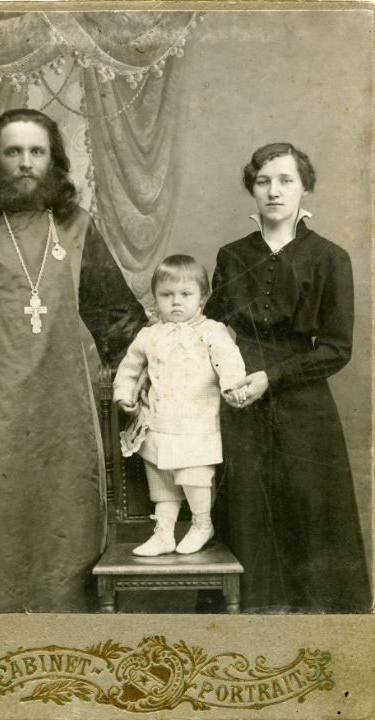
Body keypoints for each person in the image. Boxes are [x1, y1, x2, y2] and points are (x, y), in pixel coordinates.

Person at [0, 108, 147, 614]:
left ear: (54, 161)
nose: (26, 163)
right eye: (13, 152)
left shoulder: (76, 226)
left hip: (63, 408)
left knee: (65, 523)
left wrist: (150, 377)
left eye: (36, 152)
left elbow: (118, 317)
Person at [204, 143, 372, 613]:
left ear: (304, 187)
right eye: (263, 182)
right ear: (252, 189)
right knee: (246, 509)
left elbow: (337, 348)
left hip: (304, 405)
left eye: (285, 180)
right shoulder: (232, 256)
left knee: (310, 509)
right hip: (242, 398)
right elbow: (211, 330)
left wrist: (272, 378)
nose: (273, 191)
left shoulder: (330, 257)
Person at [113, 255, 246, 557]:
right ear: (155, 297)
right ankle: (164, 534)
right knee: (162, 483)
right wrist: (124, 393)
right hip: (158, 423)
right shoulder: (149, 335)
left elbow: (229, 362)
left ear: (203, 297)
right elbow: (130, 367)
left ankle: (202, 524)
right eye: (166, 295)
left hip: (196, 424)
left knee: (193, 475)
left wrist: (232, 386)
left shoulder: (211, 331)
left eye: (186, 294)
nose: (176, 302)